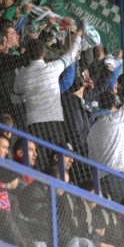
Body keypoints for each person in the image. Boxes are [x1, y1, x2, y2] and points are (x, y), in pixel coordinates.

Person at [13, 31, 82, 169]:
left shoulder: (21, 75)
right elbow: (71, 55)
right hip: (55, 122)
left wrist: (26, 99)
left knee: (39, 160)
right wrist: (79, 35)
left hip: (34, 123)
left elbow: (16, 97)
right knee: (56, 160)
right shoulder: (52, 68)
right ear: (43, 53)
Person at [86, 90, 124, 203]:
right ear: (113, 104)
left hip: (100, 178)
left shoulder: (91, 132)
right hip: (116, 174)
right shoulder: (114, 119)